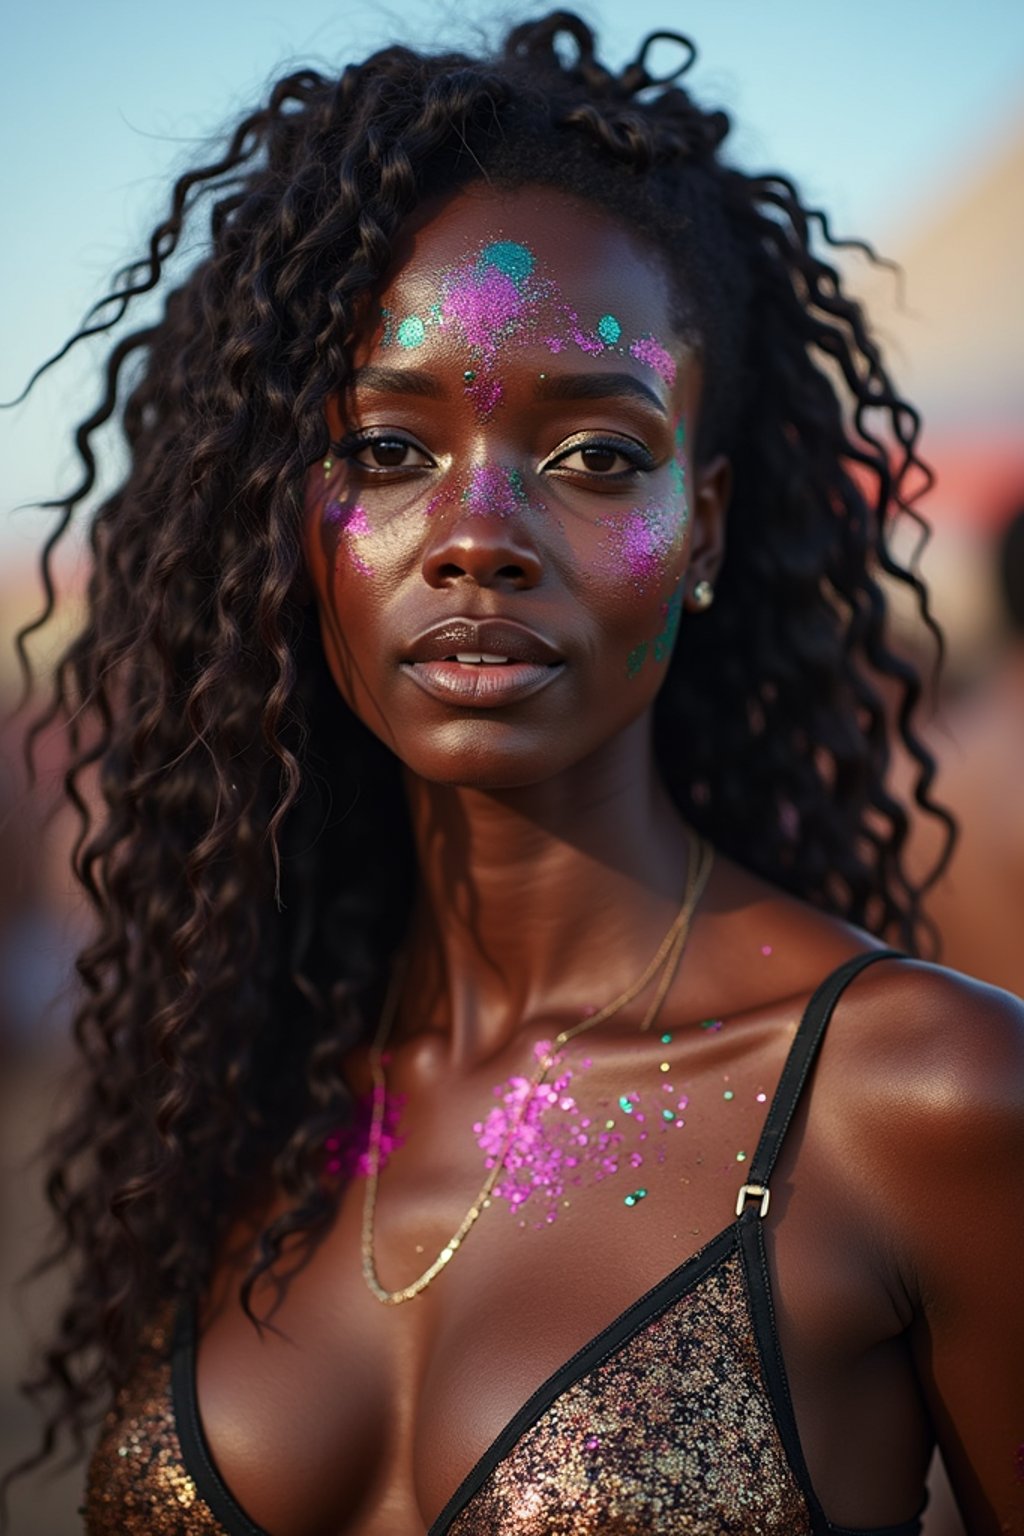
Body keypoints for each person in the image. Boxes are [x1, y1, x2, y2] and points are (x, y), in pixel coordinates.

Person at [4, 13, 1022, 1534]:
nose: (477, 536)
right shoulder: (243, 1081)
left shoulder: (919, 1099)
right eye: (388, 451)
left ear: (710, 529)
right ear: (290, 518)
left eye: (598, 457)